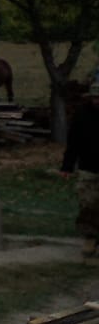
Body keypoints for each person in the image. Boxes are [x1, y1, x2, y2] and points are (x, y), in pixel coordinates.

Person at [59, 80, 99, 258]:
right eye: (95, 97)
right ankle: (90, 237)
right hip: (87, 167)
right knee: (87, 204)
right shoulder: (82, 115)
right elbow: (73, 142)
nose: (97, 101)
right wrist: (67, 166)